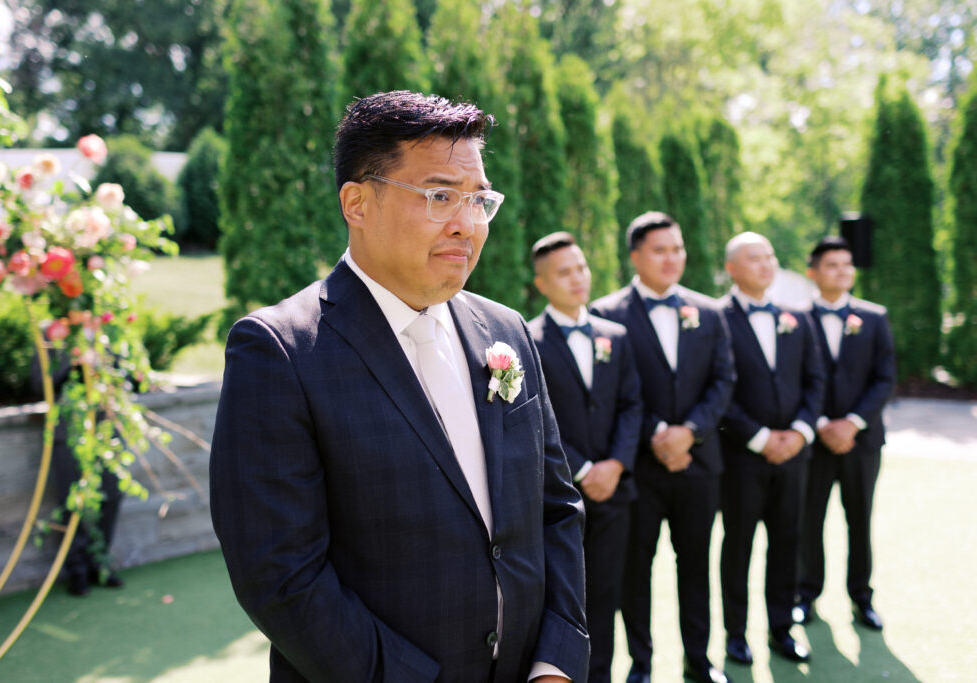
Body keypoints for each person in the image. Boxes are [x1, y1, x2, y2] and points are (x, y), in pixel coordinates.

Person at [210, 91, 589, 682]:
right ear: (357, 202)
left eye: (479, 200)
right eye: (440, 197)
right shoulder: (281, 351)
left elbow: (555, 508)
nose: (467, 224)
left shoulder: (505, 329)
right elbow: (280, 576)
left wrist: (554, 661)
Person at [591, 211, 734, 683]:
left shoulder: (710, 312)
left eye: (677, 248)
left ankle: (699, 660)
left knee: (696, 566)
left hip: (700, 464)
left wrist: (689, 433)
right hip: (641, 469)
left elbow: (722, 381)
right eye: (660, 250)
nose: (672, 258)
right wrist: (657, 435)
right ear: (635, 256)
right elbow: (613, 394)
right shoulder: (606, 316)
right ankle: (642, 665)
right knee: (637, 572)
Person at [528, 232, 643, 683]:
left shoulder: (615, 334)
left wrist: (615, 464)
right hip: (557, 498)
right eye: (564, 272)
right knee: (561, 600)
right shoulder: (527, 339)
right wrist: (582, 469)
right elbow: (536, 417)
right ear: (541, 283)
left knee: (608, 596)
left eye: (581, 267)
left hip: (615, 493)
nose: (577, 279)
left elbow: (632, 404)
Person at [717, 232, 824, 666]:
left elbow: (815, 382)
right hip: (742, 457)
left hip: (794, 456)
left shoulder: (796, 318)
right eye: (754, 258)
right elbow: (718, 390)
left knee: (787, 541)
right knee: (738, 546)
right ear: (732, 269)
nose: (765, 264)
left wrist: (798, 432)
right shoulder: (715, 318)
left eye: (770, 256)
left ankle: (782, 628)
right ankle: (735, 635)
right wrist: (760, 438)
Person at [794, 236, 896, 631]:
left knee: (860, 519)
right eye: (833, 264)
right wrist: (820, 425)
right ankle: (806, 595)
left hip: (862, 441)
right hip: (813, 442)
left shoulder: (874, 317)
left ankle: (862, 597)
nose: (843, 271)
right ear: (813, 272)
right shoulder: (796, 319)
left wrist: (853, 422)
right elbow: (795, 380)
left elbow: (885, 379)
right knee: (809, 519)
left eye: (847, 264)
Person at [32, 347, 124, 597]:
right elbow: (40, 383)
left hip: (105, 430)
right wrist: (73, 364)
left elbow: (123, 375)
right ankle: (77, 569)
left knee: (112, 494)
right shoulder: (51, 334)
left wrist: (101, 367)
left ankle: (99, 562)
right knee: (71, 501)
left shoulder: (104, 329)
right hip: (68, 430)